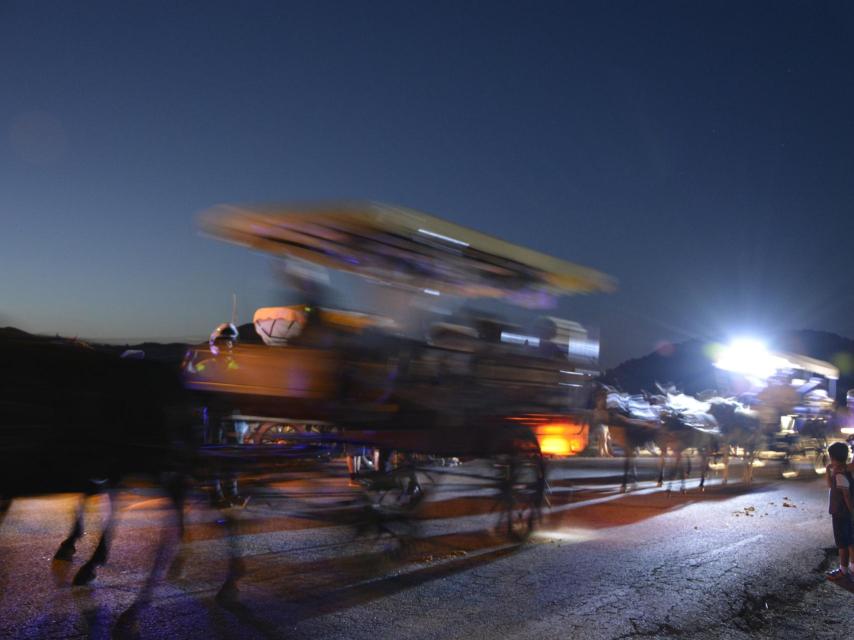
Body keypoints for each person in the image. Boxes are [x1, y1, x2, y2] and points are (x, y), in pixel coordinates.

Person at [825, 441, 854, 581]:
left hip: (841, 514)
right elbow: (830, 486)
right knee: (850, 541)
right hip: (842, 513)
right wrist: (828, 471)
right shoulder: (840, 473)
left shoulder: (840, 475)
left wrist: (852, 512)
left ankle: (843, 570)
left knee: (842, 544)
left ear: (832, 457)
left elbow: (847, 496)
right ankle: (851, 568)